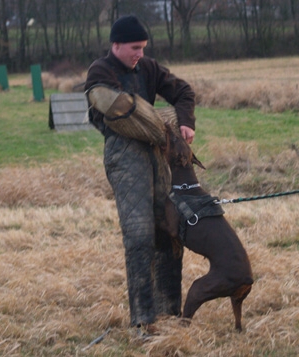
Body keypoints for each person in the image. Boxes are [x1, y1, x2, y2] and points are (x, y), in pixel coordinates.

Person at [84, 15, 196, 333]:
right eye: (135, 48)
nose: (140, 55)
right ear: (115, 45)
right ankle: (143, 322)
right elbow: (120, 110)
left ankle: (170, 314)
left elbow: (184, 92)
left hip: (157, 156)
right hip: (124, 155)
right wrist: (163, 122)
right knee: (139, 236)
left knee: (171, 231)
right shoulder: (100, 71)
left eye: (144, 48)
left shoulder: (148, 68)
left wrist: (185, 121)